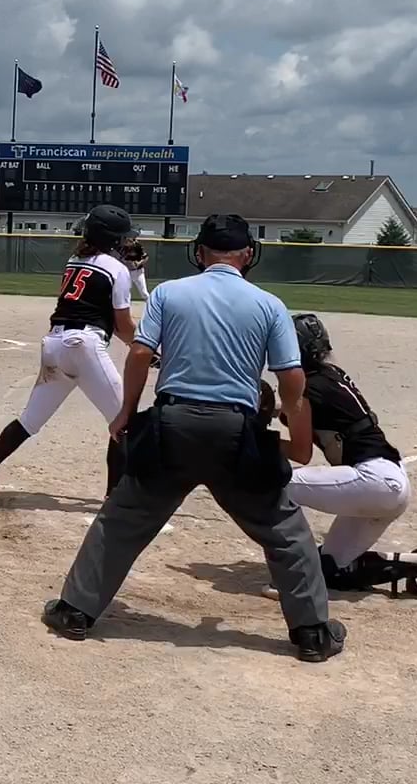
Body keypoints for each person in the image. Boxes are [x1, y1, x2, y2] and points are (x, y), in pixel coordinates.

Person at [41, 213, 346, 663]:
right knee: (285, 531)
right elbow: (291, 377)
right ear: (248, 255)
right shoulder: (269, 304)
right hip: (235, 431)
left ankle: (74, 611)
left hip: (174, 425)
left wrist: (126, 412)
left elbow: (139, 354)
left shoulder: (169, 293)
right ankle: (312, 633)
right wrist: (288, 411)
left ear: (199, 253)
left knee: (123, 519)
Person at [0, 204, 137, 506]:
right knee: (123, 422)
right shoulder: (117, 270)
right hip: (84, 345)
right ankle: (114, 498)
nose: (126, 242)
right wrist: (147, 348)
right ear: (112, 239)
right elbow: (123, 326)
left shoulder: (75, 261)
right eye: (122, 238)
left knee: (29, 421)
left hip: (55, 345)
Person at [270, 313, 417, 599]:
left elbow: (300, 453)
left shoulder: (306, 388)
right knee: (331, 569)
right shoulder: (331, 375)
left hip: (372, 480)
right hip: (389, 481)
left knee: (276, 484)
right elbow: (302, 411)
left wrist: (259, 439)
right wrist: (275, 411)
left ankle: (291, 569)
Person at [120, 236, 152, 309]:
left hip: (138, 272)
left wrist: (139, 263)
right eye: (126, 239)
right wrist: (126, 262)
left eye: (129, 239)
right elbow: (120, 258)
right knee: (126, 291)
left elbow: (146, 257)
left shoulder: (137, 246)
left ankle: (152, 306)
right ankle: (127, 309)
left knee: (143, 292)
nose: (127, 241)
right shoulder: (122, 247)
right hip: (127, 272)